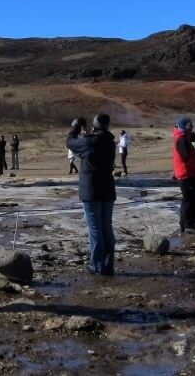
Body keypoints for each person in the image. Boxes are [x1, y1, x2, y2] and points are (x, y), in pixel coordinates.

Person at [67, 114, 117, 275]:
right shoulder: (110, 141)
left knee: (95, 229)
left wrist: (75, 127)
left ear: (95, 126)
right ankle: (108, 264)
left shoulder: (90, 141)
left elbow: (70, 143)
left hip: (91, 191)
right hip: (108, 189)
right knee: (106, 227)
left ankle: (97, 265)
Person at [172, 117, 195, 233]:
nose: (192, 126)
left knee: (190, 199)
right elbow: (185, 157)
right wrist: (191, 143)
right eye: (190, 125)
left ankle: (187, 223)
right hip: (185, 173)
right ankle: (187, 225)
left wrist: (194, 140)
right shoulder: (181, 139)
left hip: (190, 172)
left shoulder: (186, 138)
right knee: (188, 200)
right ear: (185, 126)